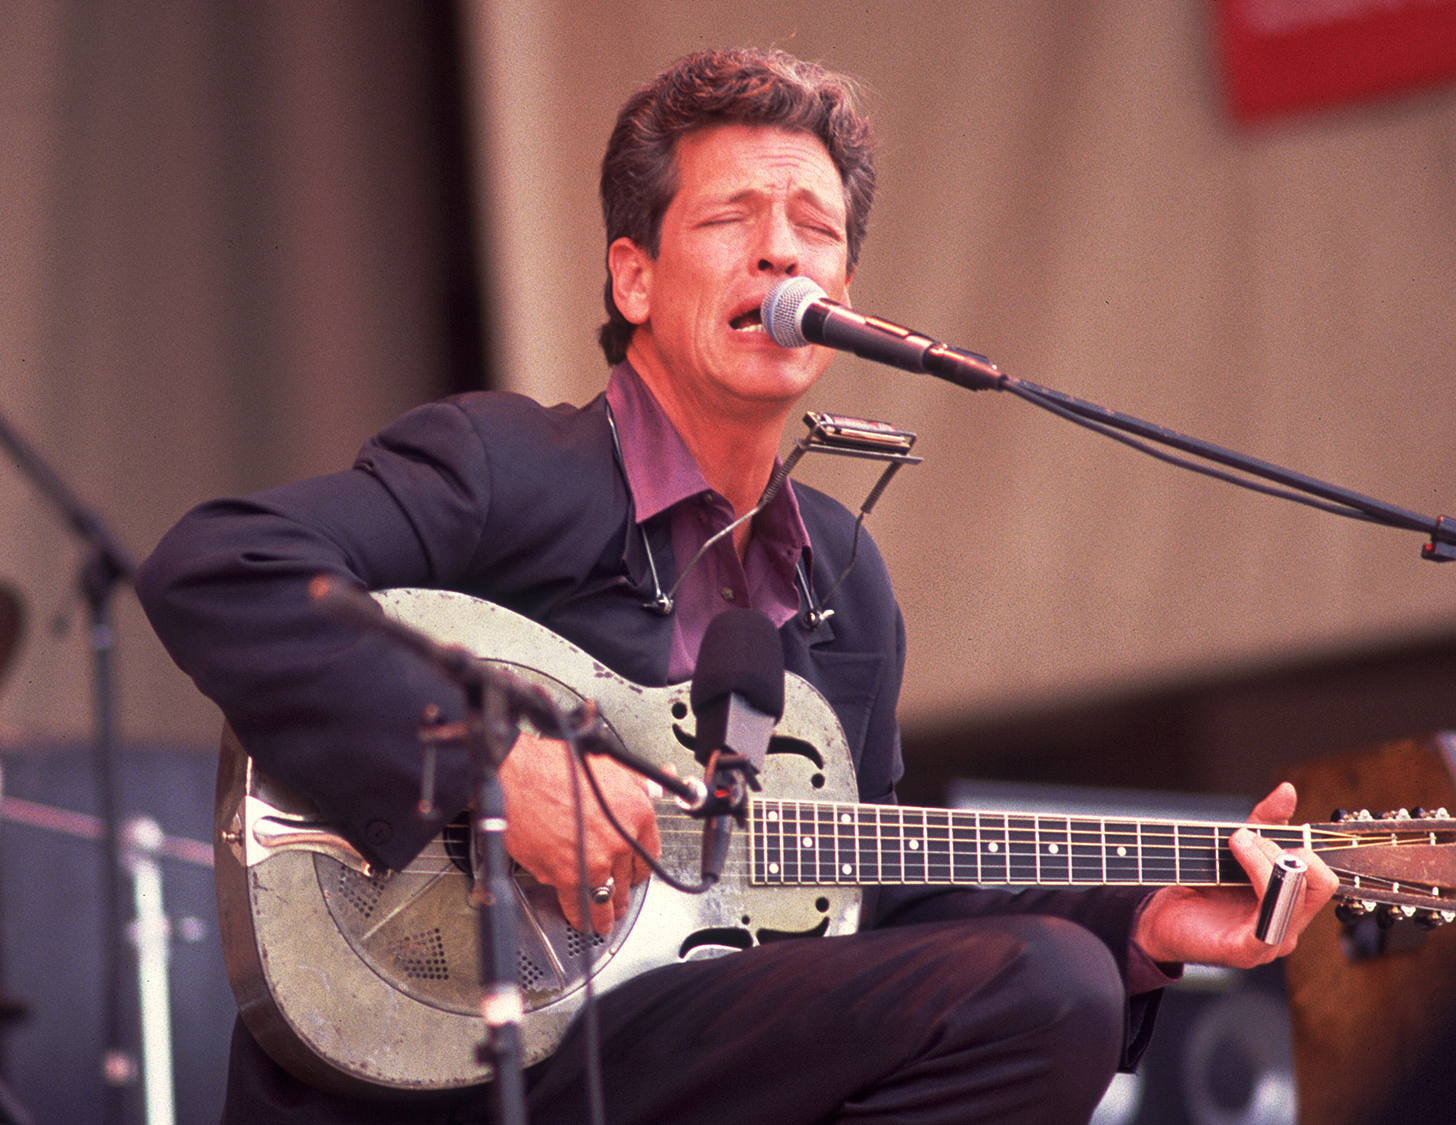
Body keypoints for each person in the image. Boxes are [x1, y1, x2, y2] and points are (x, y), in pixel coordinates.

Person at [136, 47, 1338, 1125]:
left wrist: (1140, 924)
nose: (780, 251)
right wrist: (494, 769)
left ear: (844, 299)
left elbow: (860, 908)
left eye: (814, 228)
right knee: (1049, 985)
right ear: (633, 279)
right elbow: (222, 568)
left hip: (685, 1058)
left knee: (1060, 990)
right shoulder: (507, 466)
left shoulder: (842, 578)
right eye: (731, 217)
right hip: (452, 1062)